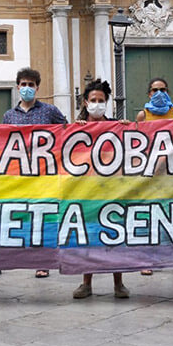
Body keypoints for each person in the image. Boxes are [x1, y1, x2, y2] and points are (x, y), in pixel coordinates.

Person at [0, 67, 67, 279]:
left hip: (43, 175)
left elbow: (68, 133)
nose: (27, 88)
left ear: (37, 87)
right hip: (16, 176)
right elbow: (1, 142)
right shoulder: (9, 115)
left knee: (42, 217)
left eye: (31, 85)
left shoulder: (50, 111)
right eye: (24, 84)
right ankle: (0, 261)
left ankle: (42, 263)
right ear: (17, 87)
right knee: (8, 216)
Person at [71, 79, 131, 299]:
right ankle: (86, 283)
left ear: (107, 103)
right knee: (88, 237)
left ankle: (119, 283)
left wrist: (128, 129)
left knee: (115, 235)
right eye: (93, 100)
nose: (97, 104)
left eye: (101, 100)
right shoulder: (75, 128)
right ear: (85, 102)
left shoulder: (117, 126)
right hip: (85, 191)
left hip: (113, 189)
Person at [135, 77, 173, 276]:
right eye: (154, 90)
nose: (159, 93)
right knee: (149, 215)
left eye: (163, 89)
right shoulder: (144, 114)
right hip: (151, 171)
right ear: (149, 94)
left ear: (168, 92)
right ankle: (147, 259)